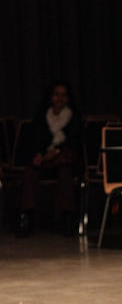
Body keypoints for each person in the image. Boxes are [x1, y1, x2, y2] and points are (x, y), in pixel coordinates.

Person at [15, 80, 82, 237]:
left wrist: (56, 152)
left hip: (63, 158)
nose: (60, 98)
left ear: (68, 98)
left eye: (63, 95)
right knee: (30, 172)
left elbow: (74, 142)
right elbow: (35, 140)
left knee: (66, 171)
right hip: (44, 159)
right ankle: (27, 217)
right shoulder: (42, 117)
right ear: (51, 97)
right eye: (56, 94)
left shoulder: (73, 118)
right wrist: (38, 154)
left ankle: (66, 218)